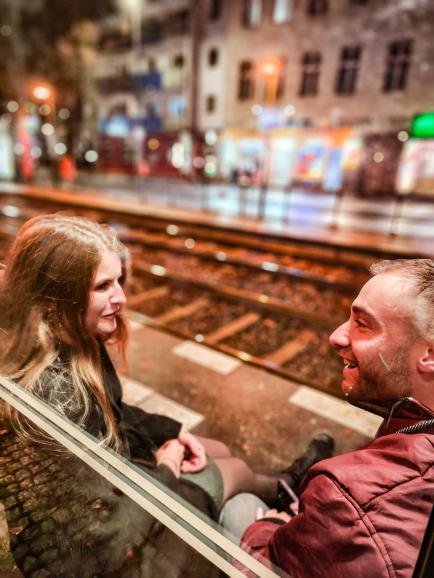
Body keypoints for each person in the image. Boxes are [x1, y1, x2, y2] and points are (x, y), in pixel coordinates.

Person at [0, 215, 332, 514]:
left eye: (119, 280)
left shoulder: (72, 337)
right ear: (56, 300)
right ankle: (289, 486)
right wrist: (167, 468)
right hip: (133, 507)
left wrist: (173, 431)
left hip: (124, 460)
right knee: (235, 470)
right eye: (103, 286)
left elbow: (112, 411)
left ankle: (283, 487)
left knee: (216, 448)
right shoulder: (55, 393)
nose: (122, 298)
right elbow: (101, 515)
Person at [232, 259, 434, 578]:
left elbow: (263, 565)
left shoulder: (347, 496)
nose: (336, 336)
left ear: (429, 355)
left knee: (240, 505)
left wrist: (272, 525)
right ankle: (294, 478)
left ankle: (290, 484)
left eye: (362, 324)